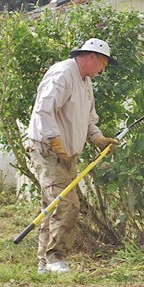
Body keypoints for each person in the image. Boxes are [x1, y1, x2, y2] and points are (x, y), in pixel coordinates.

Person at [27, 38, 119, 274]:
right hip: (48, 150)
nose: (102, 70)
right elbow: (43, 111)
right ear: (90, 58)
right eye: (102, 64)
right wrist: (57, 145)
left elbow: (88, 119)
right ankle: (55, 257)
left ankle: (44, 262)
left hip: (67, 153)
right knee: (66, 203)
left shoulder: (85, 81)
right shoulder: (62, 74)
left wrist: (98, 139)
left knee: (52, 205)